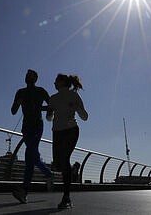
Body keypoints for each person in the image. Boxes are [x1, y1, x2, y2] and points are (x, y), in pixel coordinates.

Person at [11, 69, 53, 204]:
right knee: (32, 156)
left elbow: (52, 105)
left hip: (37, 126)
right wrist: (18, 102)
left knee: (29, 156)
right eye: (26, 75)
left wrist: (40, 109)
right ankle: (48, 174)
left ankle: (24, 190)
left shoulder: (41, 91)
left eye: (30, 76)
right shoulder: (20, 92)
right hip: (26, 128)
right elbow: (13, 111)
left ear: (35, 79)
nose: (27, 77)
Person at [47, 73, 88, 209]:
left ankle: (66, 197)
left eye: (56, 81)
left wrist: (76, 107)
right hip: (57, 133)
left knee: (64, 159)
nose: (53, 83)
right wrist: (50, 111)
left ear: (62, 82)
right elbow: (49, 118)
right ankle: (74, 169)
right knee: (58, 165)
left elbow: (85, 117)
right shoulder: (52, 98)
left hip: (71, 130)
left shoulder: (74, 95)